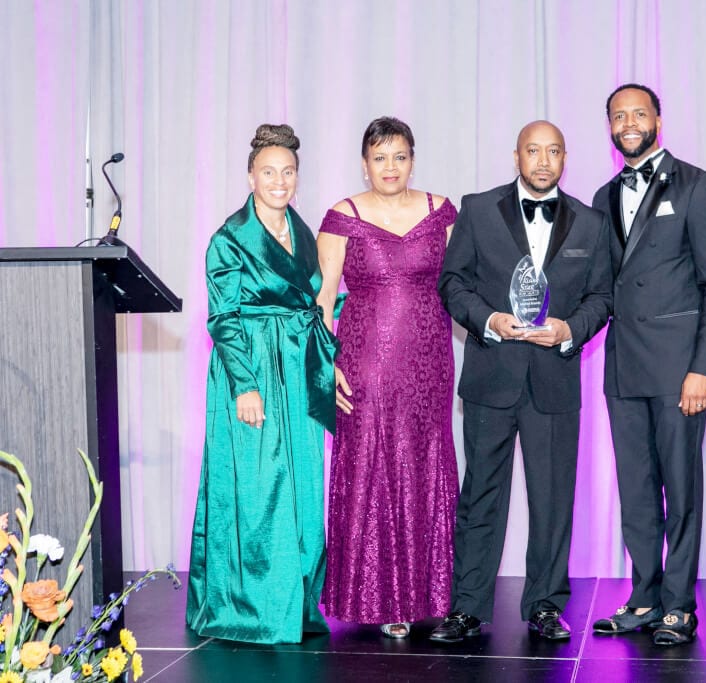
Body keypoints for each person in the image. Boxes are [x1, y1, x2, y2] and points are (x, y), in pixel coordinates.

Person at [430, 120, 613, 644]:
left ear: (565, 159)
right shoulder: (478, 209)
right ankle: (467, 608)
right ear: (516, 156)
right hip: (491, 376)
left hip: (554, 380)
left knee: (553, 501)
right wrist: (488, 320)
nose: (543, 160)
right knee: (480, 495)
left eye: (553, 151)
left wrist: (569, 329)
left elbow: (602, 297)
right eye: (533, 150)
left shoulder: (591, 223)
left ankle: (546, 605)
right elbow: (452, 283)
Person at [589, 84, 706, 646]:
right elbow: (602, 285)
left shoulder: (698, 185)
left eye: (638, 113)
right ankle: (645, 597)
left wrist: (704, 367)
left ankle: (679, 604)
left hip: (679, 370)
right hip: (623, 366)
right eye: (618, 116)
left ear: (658, 120)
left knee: (682, 489)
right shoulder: (602, 196)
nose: (628, 123)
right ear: (609, 126)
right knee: (636, 490)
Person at [186, 124, 338, 644]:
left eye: (288, 172)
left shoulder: (304, 233)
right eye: (269, 172)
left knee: (303, 485)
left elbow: (318, 302)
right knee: (258, 486)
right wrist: (244, 385)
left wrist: (331, 358)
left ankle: (297, 604)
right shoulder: (229, 239)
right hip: (252, 366)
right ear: (250, 177)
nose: (279, 181)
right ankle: (252, 608)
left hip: (297, 367)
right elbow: (223, 318)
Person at [316, 117, 459, 639]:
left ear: (413, 160)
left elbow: (462, 285)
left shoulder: (441, 212)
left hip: (430, 361)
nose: (390, 167)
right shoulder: (342, 216)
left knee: (426, 461)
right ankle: (383, 598)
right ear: (365, 164)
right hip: (365, 364)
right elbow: (323, 298)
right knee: (375, 464)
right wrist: (324, 364)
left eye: (399, 156)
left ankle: (435, 594)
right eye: (380, 158)